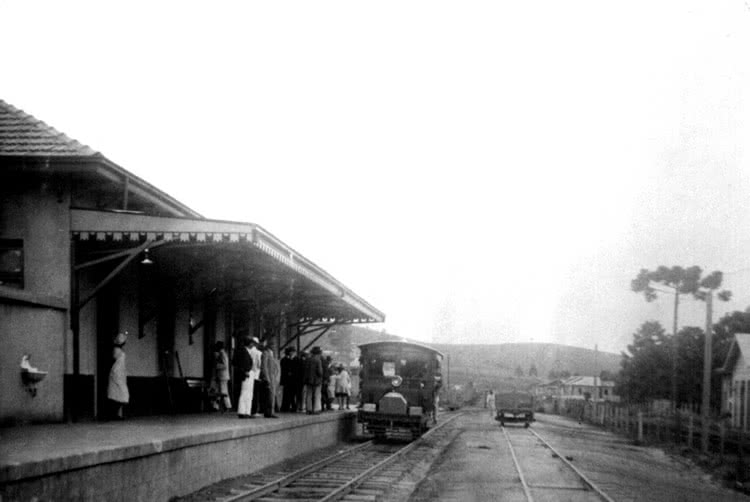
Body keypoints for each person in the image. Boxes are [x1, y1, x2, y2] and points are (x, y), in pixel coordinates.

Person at [107, 331, 129, 420]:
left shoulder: (117, 350)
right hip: (117, 373)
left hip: (119, 373)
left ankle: (114, 414)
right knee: (120, 394)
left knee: (119, 394)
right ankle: (114, 414)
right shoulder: (117, 350)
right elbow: (116, 361)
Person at [233, 336, 254, 418]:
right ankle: (243, 412)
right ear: (249, 343)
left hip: (245, 373)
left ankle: (245, 411)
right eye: (252, 343)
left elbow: (234, 362)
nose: (253, 345)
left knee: (246, 393)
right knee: (246, 393)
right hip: (246, 374)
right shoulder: (243, 352)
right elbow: (240, 363)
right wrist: (244, 371)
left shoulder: (241, 351)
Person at [260, 339, 280, 418]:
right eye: (273, 345)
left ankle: (271, 411)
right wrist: (266, 377)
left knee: (272, 394)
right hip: (270, 377)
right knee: (270, 395)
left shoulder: (273, 354)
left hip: (274, 377)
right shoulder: (266, 353)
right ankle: (269, 412)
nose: (275, 347)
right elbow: (264, 366)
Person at [303, 346, 323, 414]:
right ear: (318, 353)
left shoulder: (307, 359)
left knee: (309, 394)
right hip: (316, 380)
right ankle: (315, 409)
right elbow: (320, 372)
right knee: (316, 395)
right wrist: (321, 376)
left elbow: (305, 370)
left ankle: (308, 409)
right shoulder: (318, 360)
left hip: (308, 380)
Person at [212, 341, 231, 412]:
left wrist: (216, 365)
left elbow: (224, 365)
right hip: (222, 375)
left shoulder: (222, 354)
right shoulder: (222, 353)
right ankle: (216, 406)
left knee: (223, 391)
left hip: (222, 375)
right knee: (219, 391)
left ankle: (227, 405)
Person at [248, 337, 263, 417]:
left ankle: (248, 410)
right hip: (256, 374)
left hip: (248, 374)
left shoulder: (248, 351)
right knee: (255, 394)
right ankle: (254, 411)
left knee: (249, 393)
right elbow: (259, 365)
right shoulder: (258, 353)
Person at [280, 347, 297, 412]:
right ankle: (285, 407)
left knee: (292, 394)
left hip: (293, 380)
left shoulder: (296, 359)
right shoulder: (284, 360)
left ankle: (292, 406)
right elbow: (283, 369)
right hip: (287, 380)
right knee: (286, 394)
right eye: (292, 352)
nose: (293, 353)